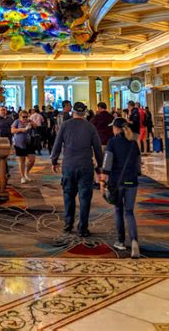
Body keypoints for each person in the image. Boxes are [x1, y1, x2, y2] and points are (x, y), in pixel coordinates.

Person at [51, 101, 103, 237]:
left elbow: (57, 144)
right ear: (84, 113)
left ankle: (68, 224)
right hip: (85, 165)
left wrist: (54, 160)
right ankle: (83, 228)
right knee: (85, 197)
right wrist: (101, 166)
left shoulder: (65, 125)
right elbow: (97, 148)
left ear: (73, 112)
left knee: (68, 195)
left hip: (69, 165)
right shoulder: (90, 127)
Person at [102, 117, 141, 258]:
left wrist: (104, 178)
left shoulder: (112, 142)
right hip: (132, 181)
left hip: (117, 182)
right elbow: (138, 163)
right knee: (129, 212)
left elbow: (107, 163)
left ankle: (120, 241)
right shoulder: (133, 143)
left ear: (116, 129)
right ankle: (134, 240)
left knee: (118, 210)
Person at [11, 110, 37, 184]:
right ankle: (22, 177)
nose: (25, 118)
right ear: (20, 116)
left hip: (29, 143)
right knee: (22, 161)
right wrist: (22, 129)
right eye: (24, 117)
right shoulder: (17, 122)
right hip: (19, 144)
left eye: (26, 116)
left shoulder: (29, 121)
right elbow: (12, 130)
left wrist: (31, 122)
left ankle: (26, 172)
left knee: (32, 160)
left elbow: (35, 126)